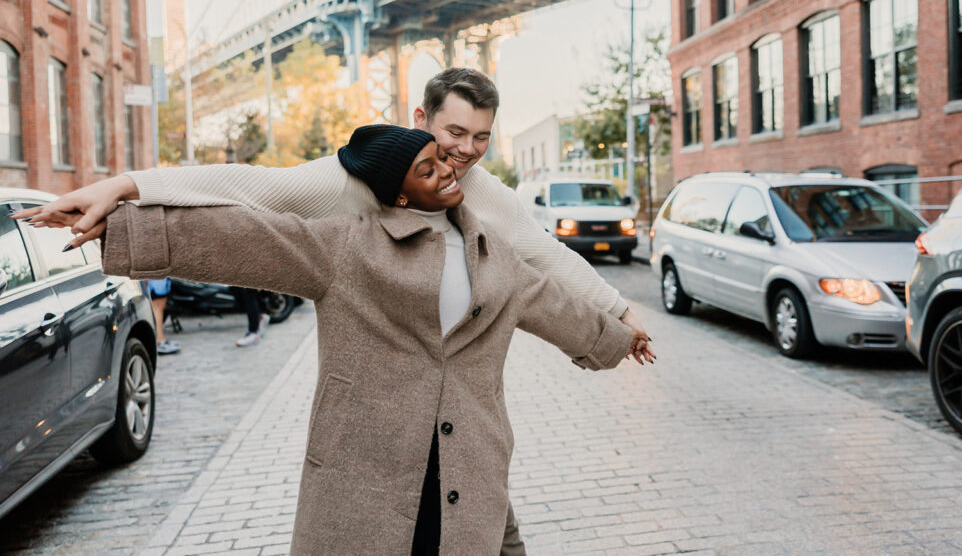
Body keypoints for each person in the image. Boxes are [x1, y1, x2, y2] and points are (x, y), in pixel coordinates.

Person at [13, 67, 649, 554]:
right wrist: (126, 194)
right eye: (451, 136)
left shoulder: (487, 218)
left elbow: (548, 272)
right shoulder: (346, 195)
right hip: (366, 457)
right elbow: (246, 208)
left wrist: (619, 320)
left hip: (465, 454)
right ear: (421, 120)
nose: (464, 153)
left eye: (480, 138)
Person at [148, 276, 181, 355]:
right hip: (155, 279)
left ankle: (160, 339)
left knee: (159, 307)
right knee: (157, 307)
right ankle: (159, 340)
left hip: (159, 278)